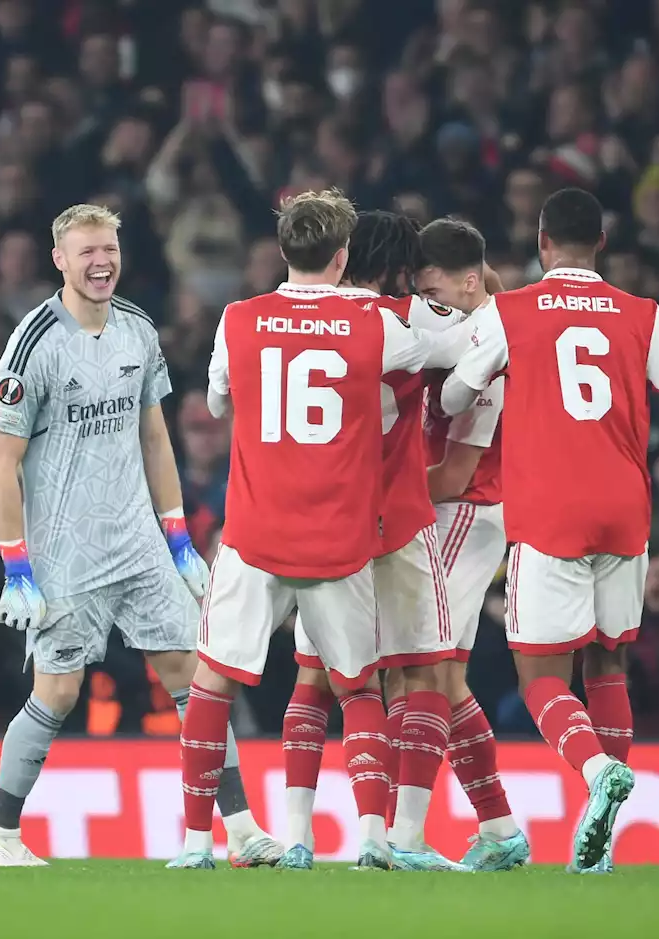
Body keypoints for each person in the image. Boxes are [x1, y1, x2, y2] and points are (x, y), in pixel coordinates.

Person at [440, 187, 659, 873]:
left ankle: (596, 774)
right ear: (601, 245)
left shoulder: (512, 310)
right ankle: (603, 846)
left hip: (549, 512)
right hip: (625, 511)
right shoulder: (640, 315)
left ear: (541, 243)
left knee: (539, 674)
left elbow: (451, 397)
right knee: (608, 659)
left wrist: (474, 385)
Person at [0, 204, 278, 867]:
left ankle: (242, 827)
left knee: (196, 681)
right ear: (59, 259)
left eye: (108, 248)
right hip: (64, 551)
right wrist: (16, 563)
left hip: (139, 543)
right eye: (85, 251)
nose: (100, 261)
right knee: (57, 692)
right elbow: (1, 460)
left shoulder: (139, 329)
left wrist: (176, 537)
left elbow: (154, 435)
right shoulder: (33, 343)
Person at [177, 190, 445, 872]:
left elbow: (216, 400)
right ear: (343, 254)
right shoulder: (381, 325)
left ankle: (194, 843)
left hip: (255, 533)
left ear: (284, 250)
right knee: (358, 689)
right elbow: (444, 350)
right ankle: (373, 838)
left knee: (211, 683)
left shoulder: (239, 318)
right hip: (337, 537)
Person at [279, 211, 475, 873]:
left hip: (327, 520)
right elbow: (483, 342)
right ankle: (407, 836)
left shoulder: (307, 318)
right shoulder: (408, 320)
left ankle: (296, 834)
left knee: (315, 677)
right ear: (401, 268)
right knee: (422, 670)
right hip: (399, 514)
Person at [414, 217, 529, 870]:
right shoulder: (468, 320)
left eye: (434, 292)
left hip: (466, 508)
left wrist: (373, 493)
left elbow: (455, 472)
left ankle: (413, 830)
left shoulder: (490, 348)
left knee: (430, 670)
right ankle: (499, 827)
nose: (427, 306)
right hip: (451, 511)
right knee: (442, 674)